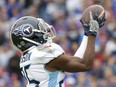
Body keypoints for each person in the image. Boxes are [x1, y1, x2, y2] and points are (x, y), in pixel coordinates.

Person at [10, 11, 106, 87]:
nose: (44, 31)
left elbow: (77, 60)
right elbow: (85, 64)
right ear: (29, 34)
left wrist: (86, 34)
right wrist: (92, 32)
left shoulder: (28, 56)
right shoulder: (43, 53)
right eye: (40, 29)